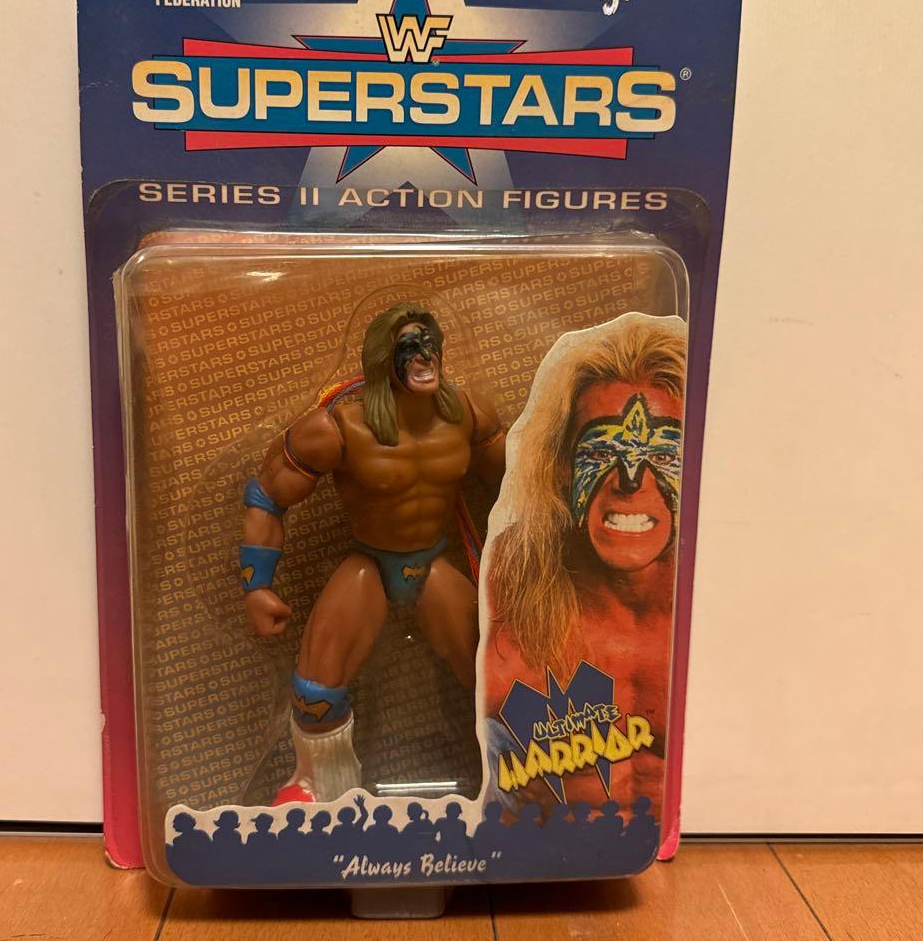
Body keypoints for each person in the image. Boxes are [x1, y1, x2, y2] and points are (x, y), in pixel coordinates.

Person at [240, 303, 506, 803]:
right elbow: (267, 496)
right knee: (316, 691)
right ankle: (317, 789)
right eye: (410, 347)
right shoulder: (339, 427)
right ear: (385, 358)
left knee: (495, 675)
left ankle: (513, 777)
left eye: (430, 344)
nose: (424, 356)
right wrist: (257, 586)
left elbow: (522, 482)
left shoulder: (469, 414)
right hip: (371, 565)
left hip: (433, 565)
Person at [483, 315, 685, 816]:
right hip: (548, 849)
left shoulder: (726, 589)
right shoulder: (519, 571)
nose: (630, 480)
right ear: (562, 466)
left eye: (664, 454)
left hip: (702, 849)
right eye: (601, 451)